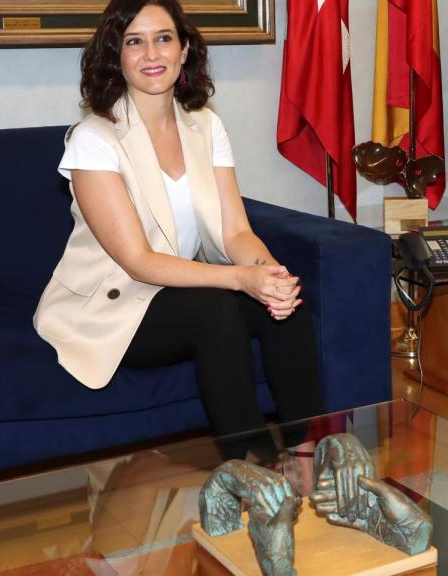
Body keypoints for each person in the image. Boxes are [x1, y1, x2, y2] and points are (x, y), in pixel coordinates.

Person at [34, 0, 323, 461]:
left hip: (180, 288)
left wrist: (272, 277)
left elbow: (235, 232)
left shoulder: (205, 126)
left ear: (184, 50)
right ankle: (252, 467)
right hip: (113, 304)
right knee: (218, 310)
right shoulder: (94, 138)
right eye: (135, 41)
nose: (152, 53)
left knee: (287, 304)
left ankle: (309, 454)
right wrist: (239, 278)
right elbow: (139, 262)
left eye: (164, 38)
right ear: (116, 55)